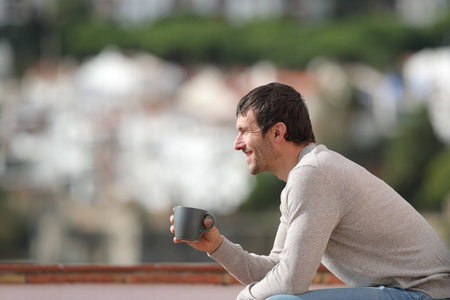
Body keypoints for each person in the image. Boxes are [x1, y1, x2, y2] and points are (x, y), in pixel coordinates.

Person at [169, 82, 450, 300]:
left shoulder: (312, 175)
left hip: (423, 294)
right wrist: (218, 247)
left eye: (245, 131)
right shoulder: (305, 175)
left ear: (278, 133)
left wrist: (247, 296)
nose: (236, 143)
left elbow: (291, 281)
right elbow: (275, 271)